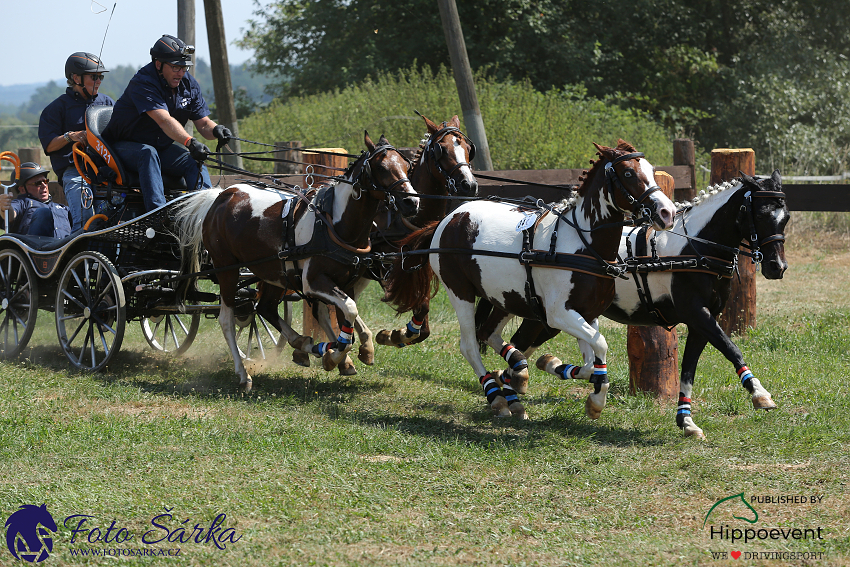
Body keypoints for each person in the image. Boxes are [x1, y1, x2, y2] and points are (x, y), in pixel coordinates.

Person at [103, 34, 232, 212]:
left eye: (184, 67)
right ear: (158, 64)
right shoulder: (144, 82)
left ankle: (205, 214)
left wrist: (216, 130)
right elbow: (164, 121)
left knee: (193, 161)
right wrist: (190, 142)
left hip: (158, 147)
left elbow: (203, 124)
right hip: (123, 147)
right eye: (175, 67)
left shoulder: (189, 84)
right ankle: (158, 215)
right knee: (148, 154)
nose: (181, 72)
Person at [39, 52, 114, 231]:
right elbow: (49, 145)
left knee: (114, 222)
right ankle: (80, 257)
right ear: (76, 78)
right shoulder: (57, 108)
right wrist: (69, 136)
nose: (99, 81)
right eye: (94, 76)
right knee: (85, 221)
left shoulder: (108, 103)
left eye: (101, 76)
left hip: (106, 172)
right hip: (76, 172)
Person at [0, 163, 73, 238]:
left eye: (45, 181)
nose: (44, 185)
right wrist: (5, 207)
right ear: (22, 189)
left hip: (66, 247)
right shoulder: (22, 203)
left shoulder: (63, 208)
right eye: (38, 183)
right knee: (43, 212)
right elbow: (11, 216)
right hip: (34, 247)